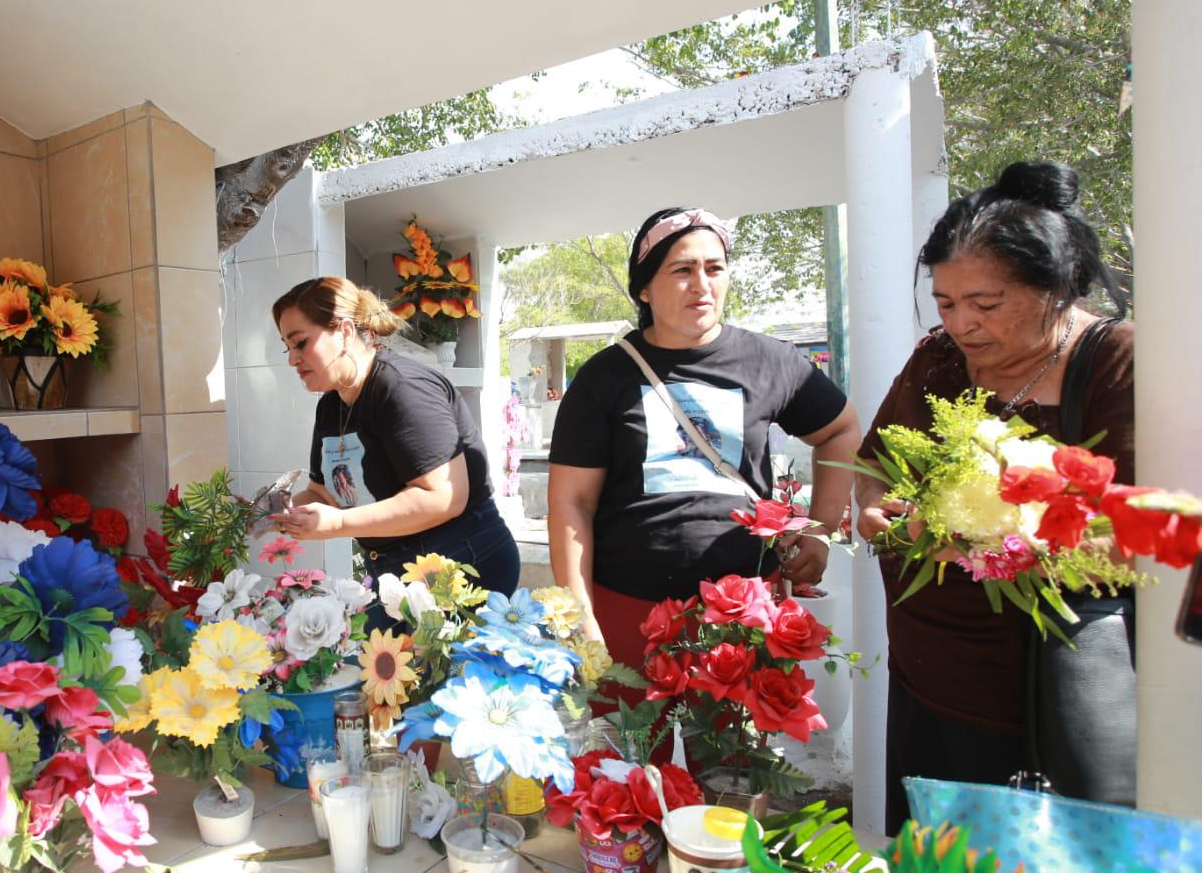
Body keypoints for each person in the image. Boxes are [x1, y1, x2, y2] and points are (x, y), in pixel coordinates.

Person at [855, 161, 1134, 828]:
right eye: (947, 303)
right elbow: (875, 465)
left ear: (1057, 289)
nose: (963, 325)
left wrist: (1007, 539)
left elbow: (1138, 527)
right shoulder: (938, 361)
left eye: (985, 304)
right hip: (935, 674)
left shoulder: (1117, 362)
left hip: (1057, 694)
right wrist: (874, 512)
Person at [547, 207, 860, 672]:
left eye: (714, 268)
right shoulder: (603, 377)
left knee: (734, 749)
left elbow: (840, 429)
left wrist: (820, 528)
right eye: (683, 270)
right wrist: (579, 614)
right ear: (645, 288)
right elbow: (572, 503)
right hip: (626, 611)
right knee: (621, 746)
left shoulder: (770, 361)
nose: (702, 284)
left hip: (741, 614)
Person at [269, 277, 520, 594]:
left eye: (301, 343)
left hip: (463, 560)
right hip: (394, 568)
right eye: (287, 347)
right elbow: (322, 494)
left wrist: (337, 524)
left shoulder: (402, 388)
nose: (292, 359)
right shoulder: (331, 406)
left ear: (345, 332)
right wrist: (275, 510)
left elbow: (443, 497)